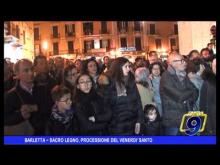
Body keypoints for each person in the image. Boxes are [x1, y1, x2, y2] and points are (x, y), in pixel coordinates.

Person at [104, 57, 145, 135]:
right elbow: (106, 105)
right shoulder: (109, 84)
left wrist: (140, 120)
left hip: (133, 122)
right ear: (118, 68)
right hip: (117, 126)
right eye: (126, 66)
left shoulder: (131, 81)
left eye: (129, 66)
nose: (129, 69)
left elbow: (138, 102)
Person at [160, 54, 198, 135]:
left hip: (186, 117)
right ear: (172, 63)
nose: (185, 63)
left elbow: (196, 91)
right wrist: (189, 93)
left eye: (184, 60)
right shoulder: (166, 76)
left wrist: (187, 99)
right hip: (173, 120)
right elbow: (180, 96)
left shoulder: (184, 75)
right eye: (181, 61)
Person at [4, 59, 37, 135]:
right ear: (17, 74)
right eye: (26, 70)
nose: (31, 73)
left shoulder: (41, 87)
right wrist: (20, 115)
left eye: (32, 69)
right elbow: (6, 118)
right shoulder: (10, 96)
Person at [199, 58, 216, 135]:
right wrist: (206, 123)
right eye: (215, 66)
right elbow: (203, 104)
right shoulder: (208, 82)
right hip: (212, 121)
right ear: (212, 67)